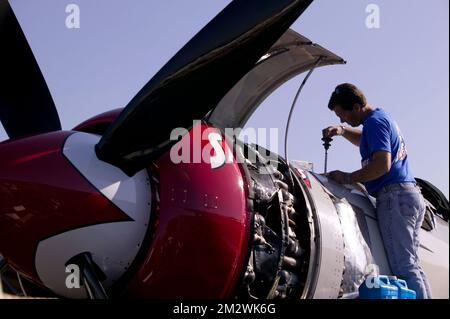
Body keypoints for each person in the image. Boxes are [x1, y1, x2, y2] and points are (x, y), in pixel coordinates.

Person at [322, 83, 432, 299]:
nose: (342, 120)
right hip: (406, 196)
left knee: (404, 267)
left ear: (355, 107)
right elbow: (364, 139)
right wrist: (342, 131)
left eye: (342, 115)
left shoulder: (375, 123)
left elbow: (382, 164)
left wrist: (348, 177)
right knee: (411, 265)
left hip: (394, 197)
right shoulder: (380, 118)